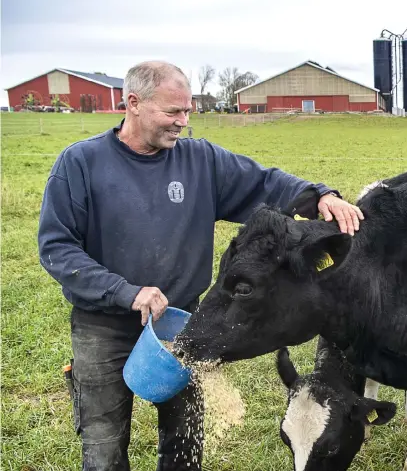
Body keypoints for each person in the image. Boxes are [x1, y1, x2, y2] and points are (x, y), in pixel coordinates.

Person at [37, 60, 364, 471]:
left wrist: (318, 196)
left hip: (182, 323)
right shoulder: (80, 164)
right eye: (173, 112)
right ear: (133, 103)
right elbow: (56, 247)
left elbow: (264, 183)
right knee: (103, 445)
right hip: (103, 326)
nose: (183, 121)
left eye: (187, 111)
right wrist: (126, 292)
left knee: (184, 439)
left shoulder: (201, 161)